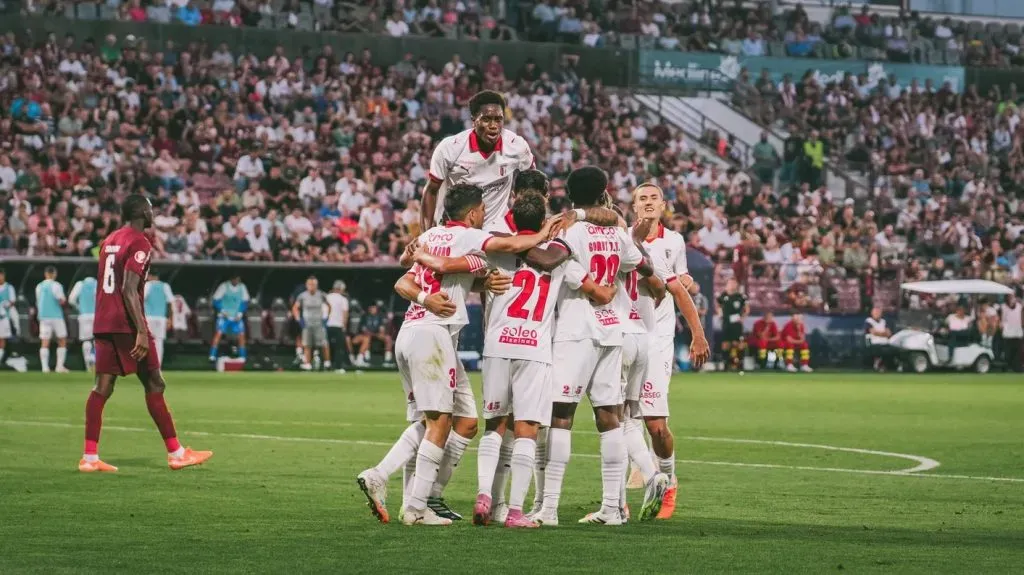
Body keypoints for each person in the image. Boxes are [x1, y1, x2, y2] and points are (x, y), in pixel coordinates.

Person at [356, 183, 556, 526]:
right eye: (481, 211)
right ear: (474, 212)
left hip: (415, 333)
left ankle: (406, 488)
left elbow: (404, 282)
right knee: (438, 422)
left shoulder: (430, 236)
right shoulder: (467, 238)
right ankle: (414, 504)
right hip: (431, 335)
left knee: (464, 422)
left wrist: (469, 287)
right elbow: (510, 244)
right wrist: (546, 230)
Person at [517, 167, 657, 526]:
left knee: (560, 417)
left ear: (570, 195)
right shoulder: (615, 231)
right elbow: (645, 264)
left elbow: (548, 260)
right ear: (603, 192)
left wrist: (525, 242)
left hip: (576, 329)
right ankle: (612, 508)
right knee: (609, 417)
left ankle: (548, 508)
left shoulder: (571, 231)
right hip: (612, 329)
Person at [81, 194, 212, 472]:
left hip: (103, 321)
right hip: (126, 323)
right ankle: (176, 453)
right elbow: (129, 289)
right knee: (155, 383)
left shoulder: (110, 240)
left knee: (102, 387)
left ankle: (90, 458)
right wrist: (141, 331)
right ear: (141, 211)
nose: (153, 212)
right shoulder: (139, 241)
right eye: (151, 208)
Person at [627, 182, 710, 520]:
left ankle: (668, 479)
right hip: (624, 337)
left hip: (658, 340)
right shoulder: (623, 238)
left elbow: (679, 284)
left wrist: (697, 333)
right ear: (633, 207)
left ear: (663, 206)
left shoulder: (672, 241)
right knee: (616, 418)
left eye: (653, 198)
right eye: (642, 199)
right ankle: (618, 499)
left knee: (655, 424)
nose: (648, 203)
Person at [420, 90, 535, 235]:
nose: (493, 125)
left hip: (497, 229)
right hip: (457, 228)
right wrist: (425, 234)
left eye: (498, 119)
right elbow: (431, 190)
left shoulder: (516, 145)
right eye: (486, 119)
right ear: (474, 121)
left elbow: (533, 181)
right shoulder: (450, 147)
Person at [293, 276, 331, 371]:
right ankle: (307, 363)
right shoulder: (302, 296)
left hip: (319, 323)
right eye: (310, 284)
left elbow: (329, 306)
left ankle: (327, 363)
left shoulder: (321, 294)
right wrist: (299, 319)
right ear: (306, 285)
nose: (312, 286)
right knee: (307, 344)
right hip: (307, 323)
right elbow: (295, 308)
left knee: (323, 343)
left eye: (313, 284)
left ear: (317, 285)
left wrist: (326, 318)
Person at [209, 274, 250, 362]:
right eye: (235, 279)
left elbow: (245, 301)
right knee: (218, 334)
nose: (237, 281)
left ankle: (243, 356)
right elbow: (216, 300)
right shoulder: (224, 286)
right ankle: (212, 355)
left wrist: (240, 313)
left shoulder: (242, 287)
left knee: (241, 335)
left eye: (238, 279)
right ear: (231, 279)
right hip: (224, 316)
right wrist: (223, 311)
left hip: (237, 317)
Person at [36, 266, 69, 373]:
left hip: (43, 316)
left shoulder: (39, 286)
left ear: (46, 274)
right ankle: (59, 367)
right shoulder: (56, 286)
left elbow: (38, 301)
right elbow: (61, 300)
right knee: (62, 340)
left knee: (45, 341)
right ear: (54, 274)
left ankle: (45, 368)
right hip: (56, 316)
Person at [716, 277, 749, 371]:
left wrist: (743, 318)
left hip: (737, 324)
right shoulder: (722, 296)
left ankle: (740, 363)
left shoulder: (741, 296)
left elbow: (747, 309)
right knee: (726, 343)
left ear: (736, 285)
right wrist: (719, 312)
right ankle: (725, 364)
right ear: (727, 285)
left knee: (738, 343)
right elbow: (718, 305)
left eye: (734, 283)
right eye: (730, 283)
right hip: (726, 323)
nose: (732, 285)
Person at [144, 271, 175, 365]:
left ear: (150, 276)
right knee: (159, 342)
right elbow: (171, 303)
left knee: (146, 342)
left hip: (148, 317)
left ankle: (147, 365)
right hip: (161, 319)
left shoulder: (147, 285)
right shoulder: (165, 286)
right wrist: (170, 319)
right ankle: (157, 366)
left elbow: (140, 300)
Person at [68, 275, 98, 371]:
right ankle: (96, 362)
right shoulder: (97, 284)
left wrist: (78, 307)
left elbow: (71, 299)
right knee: (97, 340)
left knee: (86, 340)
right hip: (96, 316)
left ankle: (87, 365)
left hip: (84, 315)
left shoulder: (80, 284)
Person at [351, 301, 393, 367]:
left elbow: (381, 329)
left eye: (374, 308)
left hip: (376, 335)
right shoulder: (364, 316)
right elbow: (364, 330)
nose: (372, 309)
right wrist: (373, 334)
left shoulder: (380, 316)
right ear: (369, 308)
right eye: (371, 308)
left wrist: (380, 334)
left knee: (388, 338)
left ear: (376, 308)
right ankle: (366, 359)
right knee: (367, 337)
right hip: (366, 335)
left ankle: (387, 361)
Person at [325, 280, 351, 373]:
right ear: (341, 289)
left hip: (326, 325)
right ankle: (338, 367)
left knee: (326, 346)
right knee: (339, 347)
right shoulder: (343, 299)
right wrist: (344, 326)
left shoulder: (326, 297)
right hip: (338, 326)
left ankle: (326, 364)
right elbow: (345, 314)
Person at [998, 294, 1022, 372]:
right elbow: (1001, 318)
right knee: (1007, 352)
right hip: (1007, 333)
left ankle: (1017, 368)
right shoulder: (1003, 307)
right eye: (1010, 297)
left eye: (1013, 297)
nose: (1011, 299)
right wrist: (1001, 325)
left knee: (1018, 352)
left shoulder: (1020, 306)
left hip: (1018, 333)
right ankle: (1007, 367)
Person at [864, 306, 893, 371]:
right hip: (873, 342)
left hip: (885, 343)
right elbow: (874, 332)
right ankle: (877, 364)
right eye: (875, 312)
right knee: (878, 350)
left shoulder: (884, 321)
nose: (877, 314)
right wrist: (884, 333)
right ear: (872, 313)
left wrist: (881, 333)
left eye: (878, 312)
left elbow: (889, 333)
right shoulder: (868, 321)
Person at [0, 268, 15, 366]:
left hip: (3, 317)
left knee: (2, 339)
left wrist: (7, 304)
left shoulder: (9, 287)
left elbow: (12, 301)